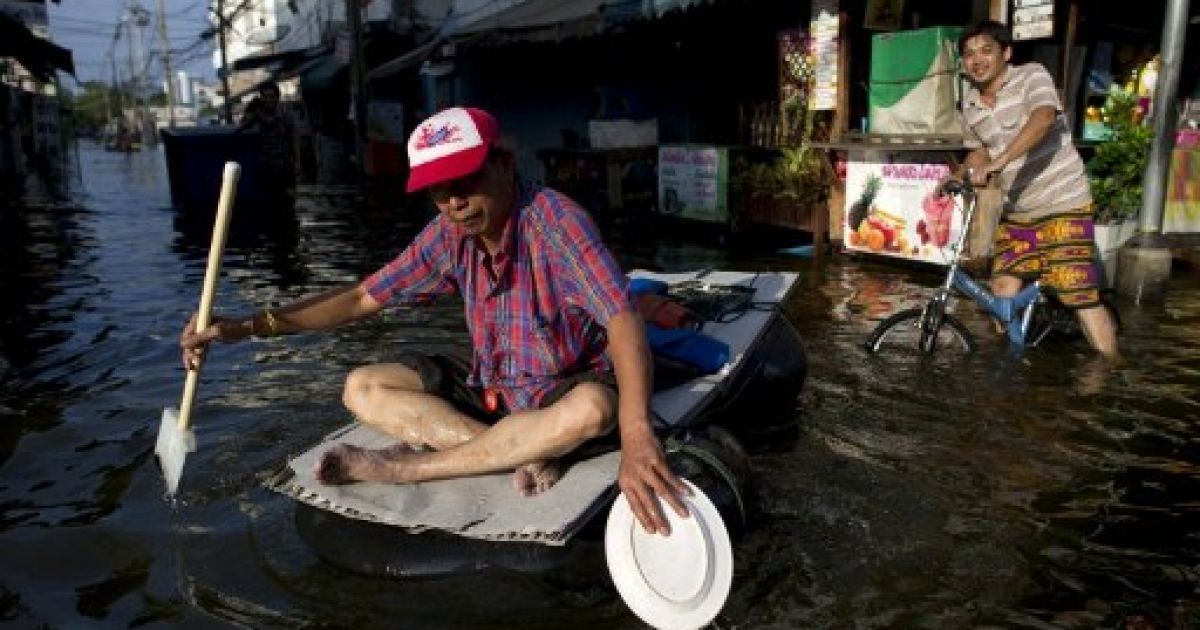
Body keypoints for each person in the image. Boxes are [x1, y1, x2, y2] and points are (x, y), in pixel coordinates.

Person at [180, 107, 690, 535]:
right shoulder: (449, 233)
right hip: (496, 385)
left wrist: (638, 434)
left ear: (506, 163)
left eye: (465, 183)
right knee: (362, 386)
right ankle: (516, 451)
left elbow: (621, 318)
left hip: (562, 382)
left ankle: (405, 468)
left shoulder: (556, 221)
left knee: (593, 410)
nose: (454, 203)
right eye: (439, 192)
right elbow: (361, 298)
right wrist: (245, 327)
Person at [955, 20, 1119, 359]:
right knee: (1001, 288)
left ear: (1007, 53)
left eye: (986, 51)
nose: (977, 60)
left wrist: (999, 163)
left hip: (1063, 202)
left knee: (1077, 294)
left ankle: (1111, 370)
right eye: (969, 54)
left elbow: (1044, 118)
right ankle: (1014, 361)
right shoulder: (969, 103)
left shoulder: (1031, 75)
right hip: (1019, 212)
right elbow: (980, 149)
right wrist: (960, 173)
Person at [237, 82, 298, 207]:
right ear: (261, 98)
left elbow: (294, 139)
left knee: (287, 205)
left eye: (271, 96)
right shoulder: (256, 117)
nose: (268, 100)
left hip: (284, 168)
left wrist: (298, 164)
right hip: (265, 169)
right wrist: (250, 111)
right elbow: (240, 131)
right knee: (268, 205)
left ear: (277, 98)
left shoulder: (286, 116)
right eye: (265, 97)